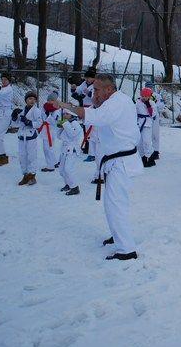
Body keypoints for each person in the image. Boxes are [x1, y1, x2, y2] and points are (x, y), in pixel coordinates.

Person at [55, 73, 142, 261]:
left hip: (121, 162)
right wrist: (94, 100)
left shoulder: (116, 103)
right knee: (113, 204)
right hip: (115, 161)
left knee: (115, 204)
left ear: (109, 89)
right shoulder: (115, 101)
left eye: (97, 90)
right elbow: (97, 109)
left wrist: (66, 106)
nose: (94, 93)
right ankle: (118, 235)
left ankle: (126, 249)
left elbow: (94, 117)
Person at [13, 91, 43, 186]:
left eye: (34, 99)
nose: (32, 101)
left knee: (31, 156)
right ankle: (25, 174)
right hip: (22, 136)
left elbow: (39, 123)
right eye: (30, 99)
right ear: (26, 100)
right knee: (22, 156)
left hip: (31, 136)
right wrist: (14, 116)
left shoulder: (37, 111)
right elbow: (16, 123)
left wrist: (29, 122)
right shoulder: (22, 110)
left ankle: (32, 175)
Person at [71, 68, 97, 162]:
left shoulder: (96, 84)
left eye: (89, 78)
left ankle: (92, 150)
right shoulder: (84, 84)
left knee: (91, 129)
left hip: (92, 108)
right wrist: (74, 90)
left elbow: (96, 96)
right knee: (85, 128)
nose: (87, 80)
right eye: (86, 78)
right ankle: (87, 146)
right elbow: (77, 91)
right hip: (84, 107)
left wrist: (89, 93)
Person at [56, 109, 82, 195]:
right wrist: (60, 127)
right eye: (64, 114)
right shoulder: (67, 123)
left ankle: (74, 187)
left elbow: (72, 135)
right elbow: (59, 136)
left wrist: (65, 124)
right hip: (64, 149)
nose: (65, 115)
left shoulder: (75, 123)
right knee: (61, 169)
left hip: (72, 149)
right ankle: (68, 184)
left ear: (72, 115)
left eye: (67, 114)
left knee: (68, 169)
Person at [40, 93, 60, 172]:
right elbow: (42, 116)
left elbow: (54, 121)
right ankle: (54, 162)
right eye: (48, 100)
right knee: (49, 148)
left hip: (51, 130)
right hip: (45, 129)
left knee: (47, 148)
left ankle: (50, 166)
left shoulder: (57, 110)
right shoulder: (44, 107)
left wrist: (48, 117)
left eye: (52, 100)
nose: (49, 101)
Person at [136, 87, 156, 167]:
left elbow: (153, 114)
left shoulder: (152, 103)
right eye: (142, 96)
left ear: (149, 96)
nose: (144, 98)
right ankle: (143, 157)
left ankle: (150, 157)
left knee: (146, 141)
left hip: (147, 123)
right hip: (139, 123)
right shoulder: (137, 102)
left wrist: (148, 106)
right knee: (139, 142)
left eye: (145, 96)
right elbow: (134, 112)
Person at [149, 84, 165, 161]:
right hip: (146, 117)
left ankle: (155, 151)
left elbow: (162, 105)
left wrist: (153, 105)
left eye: (150, 87)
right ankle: (147, 151)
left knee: (155, 134)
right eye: (147, 87)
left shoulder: (157, 96)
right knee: (147, 135)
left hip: (155, 117)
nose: (149, 88)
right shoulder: (143, 94)